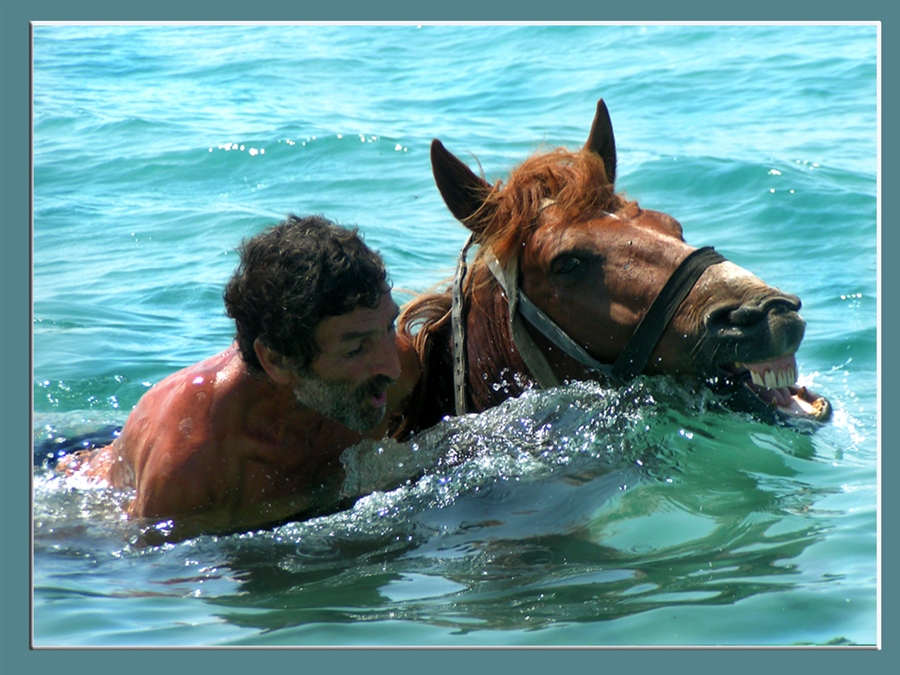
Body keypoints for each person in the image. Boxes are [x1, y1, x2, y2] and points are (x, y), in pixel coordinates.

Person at [58, 215, 420, 542]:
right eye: (355, 350)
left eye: (388, 327)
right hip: (77, 489)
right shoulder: (193, 466)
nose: (391, 367)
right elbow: (149, 586)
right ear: (277, 361)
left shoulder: (402, 374)